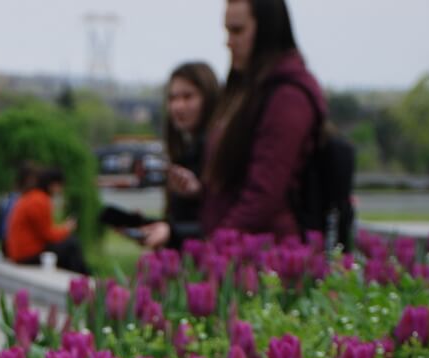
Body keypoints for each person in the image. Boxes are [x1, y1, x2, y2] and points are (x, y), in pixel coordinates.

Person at [199, 0, 328, 240]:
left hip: (268, 257)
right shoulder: (246, 88)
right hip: (237, 251)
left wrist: (217, 244)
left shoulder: (288, 96)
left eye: (237, 30)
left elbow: (264, 195)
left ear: (267, 31)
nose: (228, 42)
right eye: (227, 31)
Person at [136, 62, 220, 250]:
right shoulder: (183, 151)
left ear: (209, 98)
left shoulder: (218, 151)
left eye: (188, 97)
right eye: (172, 98)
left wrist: (173, 232)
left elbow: (222, 223)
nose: (178, 106)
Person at [4, 167, 91, 274]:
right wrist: (67, 228)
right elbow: (48, 235)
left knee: (68, 246)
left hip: (19, 252)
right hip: (25, 254)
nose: (61, 190)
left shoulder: (31, 196)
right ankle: (84, 279)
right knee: (72, 244)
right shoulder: (40, 200)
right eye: (60, 186)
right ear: (53, 185)